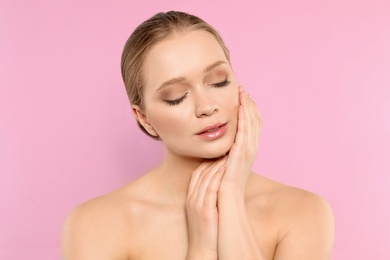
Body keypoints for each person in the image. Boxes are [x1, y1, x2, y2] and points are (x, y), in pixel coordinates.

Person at [62, 11, 334, 259]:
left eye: (219, 81)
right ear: (145, 119)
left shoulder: (303, 212)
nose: (206, 107)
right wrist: (201, 248)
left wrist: (230, 198)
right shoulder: (96, 224)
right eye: (176, 97)